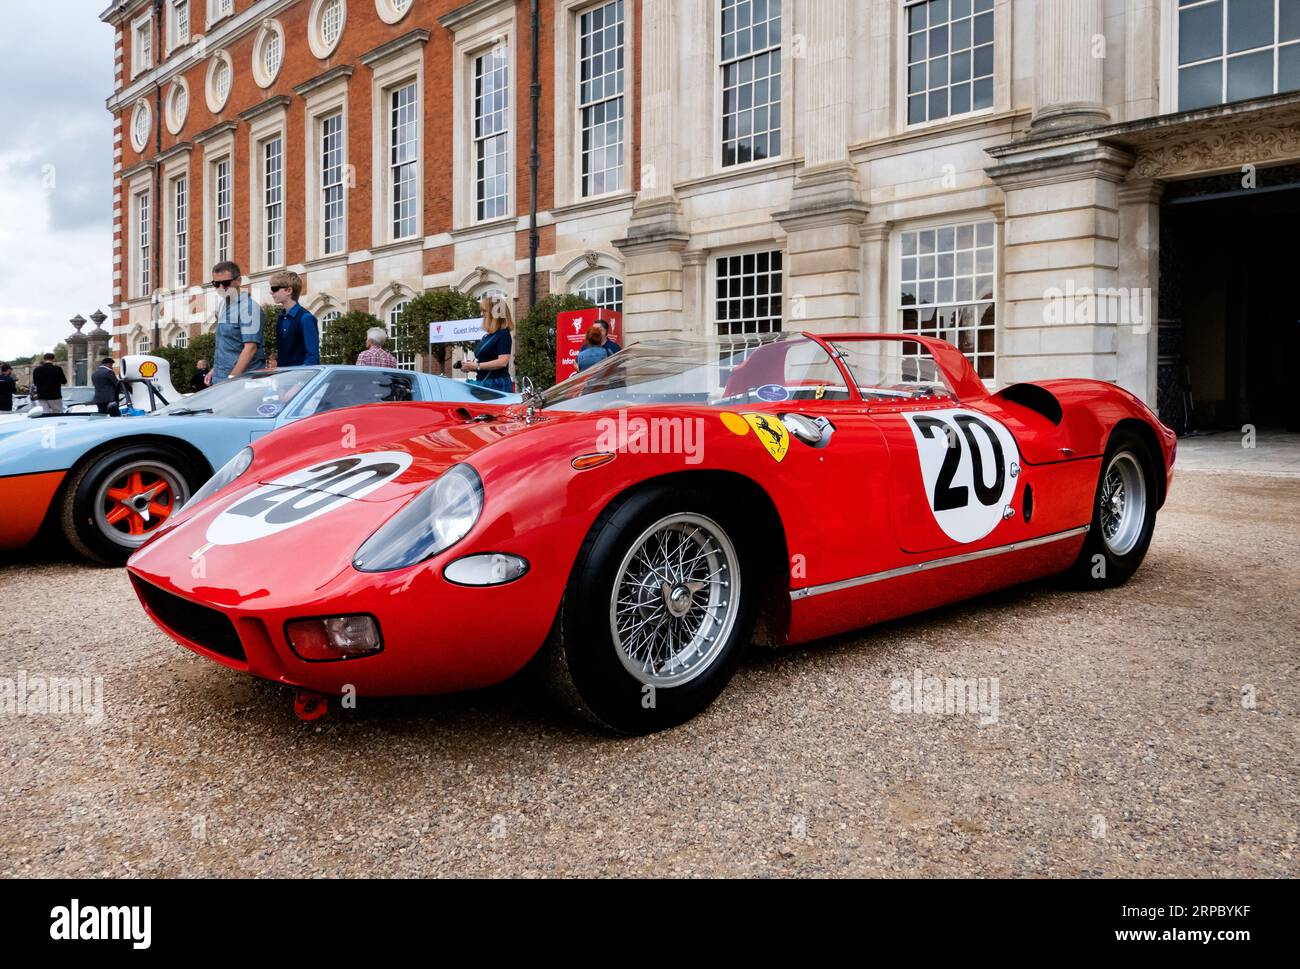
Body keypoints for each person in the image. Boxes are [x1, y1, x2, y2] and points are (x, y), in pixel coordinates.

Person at [208, 260, 265, 385]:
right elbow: (228, 345)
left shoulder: (249, 308)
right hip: (221, 379)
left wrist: (231, 379)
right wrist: (214, 370)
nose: (221, 288)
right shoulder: (223, 305)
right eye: (216, 284)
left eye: (226, 283)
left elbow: (250, 348)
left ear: (238, 281)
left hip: (242, 383)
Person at [461, 295, 514, 392]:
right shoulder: (488, 336)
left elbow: (503, 362)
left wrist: (477, 366)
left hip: (497, 385)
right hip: (485, 383)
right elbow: (485, 364)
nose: (481, 314)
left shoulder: (503, 334)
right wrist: (471, 366)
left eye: (484, 311)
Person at [270, 270, 320, 368]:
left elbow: (313, 357)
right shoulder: (281, 318)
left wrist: (299, 381)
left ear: (289, 290)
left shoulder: (306, 318)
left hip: (299, 380)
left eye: (275, 288)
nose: (271, 292)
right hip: (283, 378)